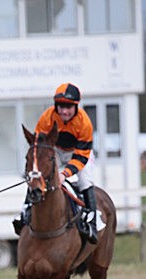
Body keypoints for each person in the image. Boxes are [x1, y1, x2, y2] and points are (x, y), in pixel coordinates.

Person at [13, 83, 98, 244]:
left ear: (76, 107)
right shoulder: (47, 117)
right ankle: (24, 212)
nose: (64, 111)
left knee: (85, 180)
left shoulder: (84, 123)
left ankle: (92, 223)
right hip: (56, 150)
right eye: (60, 106)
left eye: (68, 107)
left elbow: (81, 155)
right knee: (37, 175)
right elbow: (39, 148)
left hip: (79, 153)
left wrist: (64, 174)